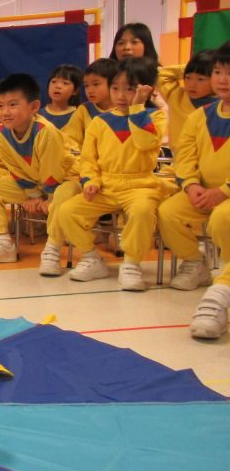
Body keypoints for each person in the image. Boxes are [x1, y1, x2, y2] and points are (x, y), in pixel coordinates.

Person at [53, 57, 167, 290]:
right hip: (106, 185)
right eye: (115, 89)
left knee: (142, 211)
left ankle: (132, 263)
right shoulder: (99, 122)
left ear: (146, 90)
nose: (121, 96)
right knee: (67, 212)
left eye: (130, 89)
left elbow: (145, 142)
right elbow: (88, 159)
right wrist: (91, 180)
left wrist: (137, 108)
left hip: (141, 185)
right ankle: (91, 257)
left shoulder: (155, 117)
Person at [158, 46, 230, 337]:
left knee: (223, 219)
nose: (223, 79)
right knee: (168, 212)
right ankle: (194, 262)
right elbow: (185, 154)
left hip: (226, 195)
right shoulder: (201, 115)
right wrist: (190, 185)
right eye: (218, 72)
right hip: (203, 191)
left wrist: (224, 190)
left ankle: (223, 283)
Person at [0, 73, 74, 264]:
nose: (5, 112)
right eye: (1, 106)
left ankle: (53, 248)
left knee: (60, 196)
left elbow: (53, 171)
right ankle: (3, 244)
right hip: (35, 184)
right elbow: (15, 169)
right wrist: (33, 195)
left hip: (64, 181)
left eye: (13, 105)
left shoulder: (46, 131)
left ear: (34, 107)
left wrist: (47, 198)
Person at [158, 49, 216, 153]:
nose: (192, 84)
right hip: (180, 158)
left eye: (200, 79)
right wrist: (191, 66)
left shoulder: (223, 105)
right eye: (188, 78)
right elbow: (161, 75)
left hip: (209, 159)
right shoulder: (176, 96)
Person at [63, 58, 118, 152]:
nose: (90, 90)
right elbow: (71, 141)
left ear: (114, 84)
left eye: (96, 84)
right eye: (86, 85)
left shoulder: (125, 110)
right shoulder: (84, 110)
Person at [39, 64, 83, 131]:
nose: (58, 86)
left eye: (65, 83)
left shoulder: (79, 115)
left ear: (75, 91)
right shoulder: (38, 115)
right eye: (54, 82)